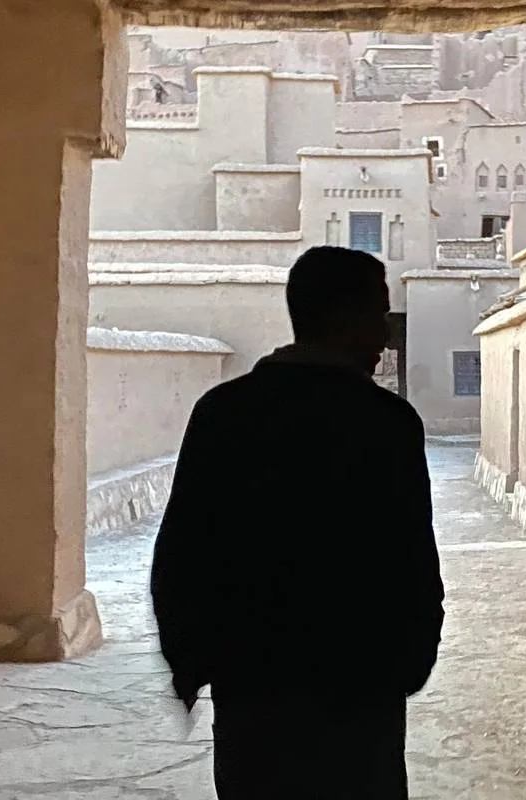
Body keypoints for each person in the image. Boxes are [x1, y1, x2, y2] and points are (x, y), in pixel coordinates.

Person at [151, 246, 445, 800]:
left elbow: (183, 551)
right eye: (378, 314)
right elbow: (411, 560)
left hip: (253, 686)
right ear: (343, 317)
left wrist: (188, 659)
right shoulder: (385, 422)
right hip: (360, 687)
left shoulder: (224, 412)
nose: (386, 334)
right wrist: (411, 660)